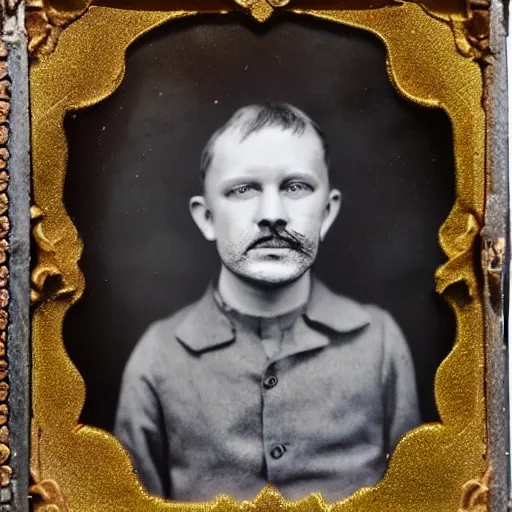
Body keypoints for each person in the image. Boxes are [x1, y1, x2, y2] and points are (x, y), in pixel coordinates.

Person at [114, 102, 421, 503]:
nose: (272, 215)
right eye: (243, 190)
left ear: (326, 213)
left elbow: (417, 498)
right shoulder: (157, 354)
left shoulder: (379, 341)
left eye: (296, 187)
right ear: (206, 217)